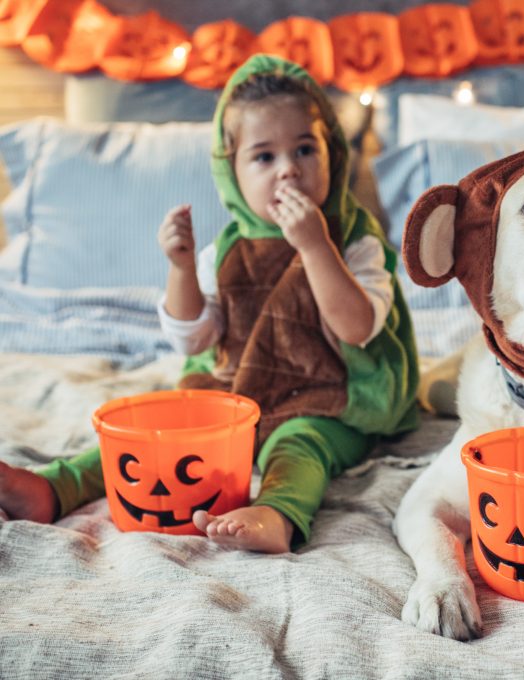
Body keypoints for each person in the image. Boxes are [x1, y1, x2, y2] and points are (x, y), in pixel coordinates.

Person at [0, 54, 420, 553]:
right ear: (231, 172)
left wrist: (314, 246)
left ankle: (279, 513)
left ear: (332, 153)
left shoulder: (354, 239)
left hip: (328, 401)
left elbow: (357, 328)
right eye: (264, 157)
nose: (288, 170)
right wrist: (180, 269)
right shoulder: (224, 253)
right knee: (151, 437)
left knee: (300, 444)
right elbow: (194, 336)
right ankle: (55, 487)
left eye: (305, 149)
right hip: (235, 397)